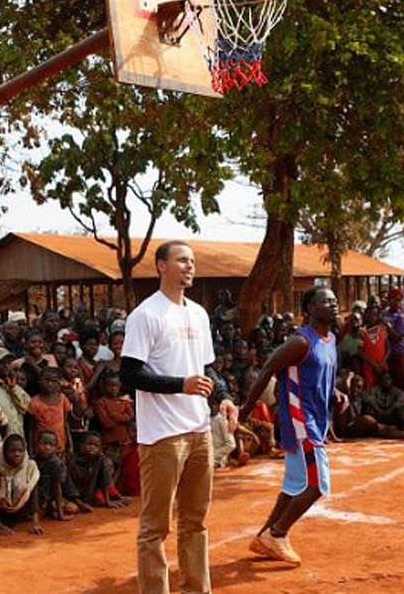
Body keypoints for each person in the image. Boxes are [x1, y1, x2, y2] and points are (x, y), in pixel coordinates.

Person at [120, 240, 237, 594]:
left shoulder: (198, 314)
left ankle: (197, 589)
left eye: (192, 261)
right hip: (162, 437)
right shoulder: (146, 315)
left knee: (196, 522)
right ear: (161, 266)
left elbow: (206, 369)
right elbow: (129, 375)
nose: (189, 266)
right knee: (155, 528)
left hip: (199, 430)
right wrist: (180, 386)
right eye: (181, 260)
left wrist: (224, 397)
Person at [236, 286, 343, 565]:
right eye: (326, 302)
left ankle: (263, 537)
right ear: (309, 309)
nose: (333, 305)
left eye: (334, 301)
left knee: (295, 484)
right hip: (300, 420)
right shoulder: (301, 341)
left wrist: (335, 394)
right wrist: (245, 410)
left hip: (316, 421)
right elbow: (269, 367)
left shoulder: (330, 339)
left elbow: (323, 376)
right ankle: (278, 533)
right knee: (317, 484)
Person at [0, 434, 43, 535]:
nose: (17, 454)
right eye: (12, 451)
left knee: (33, 486)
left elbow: (31, 490)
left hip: (23, 508)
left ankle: (35, 521)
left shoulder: (30, 465)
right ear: (5, 452)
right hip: (2, 511)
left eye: (20, 451)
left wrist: (35, 523)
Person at [68, 432, 126, 508]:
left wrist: (107, 502)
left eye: (96, 445)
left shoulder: (99, 460)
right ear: (81, 445)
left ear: (100, 449)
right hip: (74, 498)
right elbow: (70, 488)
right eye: (89, 444)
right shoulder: (72, 463)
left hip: (89, 498)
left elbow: (104, 481)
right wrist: (81, 504)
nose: (92, 447)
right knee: (71, 508)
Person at [0, 347, 30, 439]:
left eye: (8, 362)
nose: (6, 366)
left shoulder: (13, 384)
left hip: (18, 438)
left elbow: (26, 407)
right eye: (1, 362)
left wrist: (13, 388)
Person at [28, 368, 74, 454]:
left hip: (60, 447)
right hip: (40, 449)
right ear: (39, 381)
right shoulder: (34, 402)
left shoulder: (63, 399)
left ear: (59, 383)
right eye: (46, 380)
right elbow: (31, 429)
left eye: (53, 381)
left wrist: (70, 445)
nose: (49, 383)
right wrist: (31, 450)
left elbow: (66, 423)